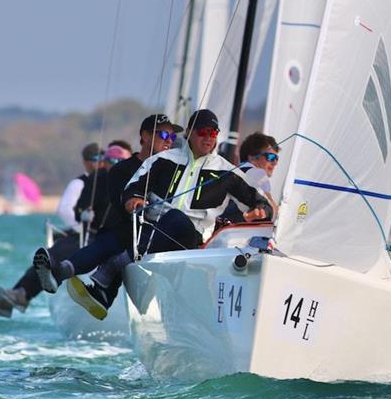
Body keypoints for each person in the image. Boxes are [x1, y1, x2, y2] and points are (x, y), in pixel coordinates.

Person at [34, 109, 273, 320]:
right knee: (114, 238)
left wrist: (262, 208)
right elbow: (133, 188)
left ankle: (111, 269)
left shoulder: (226, 172)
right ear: (189, 132)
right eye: (203, 131)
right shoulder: (163, 160)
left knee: (176, 219)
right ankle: (61, 272)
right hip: (152, 233)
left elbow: (257, 200)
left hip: (191, 243)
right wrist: (133, 200)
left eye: (214, 132)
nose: (209, 137)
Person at [25, 115, 182, 307]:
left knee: (115, 240)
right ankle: (64, 273)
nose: (169, 140)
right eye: (164, 134)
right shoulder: (121, 170)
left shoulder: (176, 169)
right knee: (114, 237)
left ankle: (68, 276)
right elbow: (120, 202)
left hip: (164, 231)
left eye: (173, 137)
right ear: (145, 136)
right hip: (129, 228)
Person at [0, 143, 104, 317]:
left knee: (53, 255)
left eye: (102, 159)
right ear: (85, 162)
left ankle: (18, 296)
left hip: (97, 236)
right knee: (48, 256)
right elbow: (64, 209)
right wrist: (82, 226)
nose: (99, 163)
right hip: (82, 233)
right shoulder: (80, 183)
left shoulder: (109, 180)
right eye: (95, 159)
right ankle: (18, 295)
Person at [221, 131, 280, 223]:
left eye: (276, 158)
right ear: (252, 157)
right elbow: (273, 211)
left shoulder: (235, 173)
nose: (275, 162)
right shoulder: (256, 174)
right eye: (271, 157)